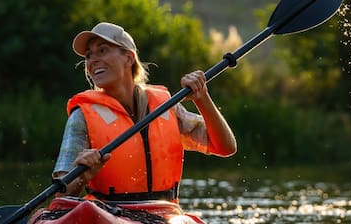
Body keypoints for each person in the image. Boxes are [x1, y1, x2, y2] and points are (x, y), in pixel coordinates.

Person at [53, 22, 237, 203]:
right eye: (88, 55)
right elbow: (62, 196)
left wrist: (202, 98)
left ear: (128, 58)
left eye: (102, 50)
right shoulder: (82, 115)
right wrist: (84, 176)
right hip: (108, 214)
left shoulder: (165, 106)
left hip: (163, 214)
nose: (92, 61)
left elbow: (225, 147)